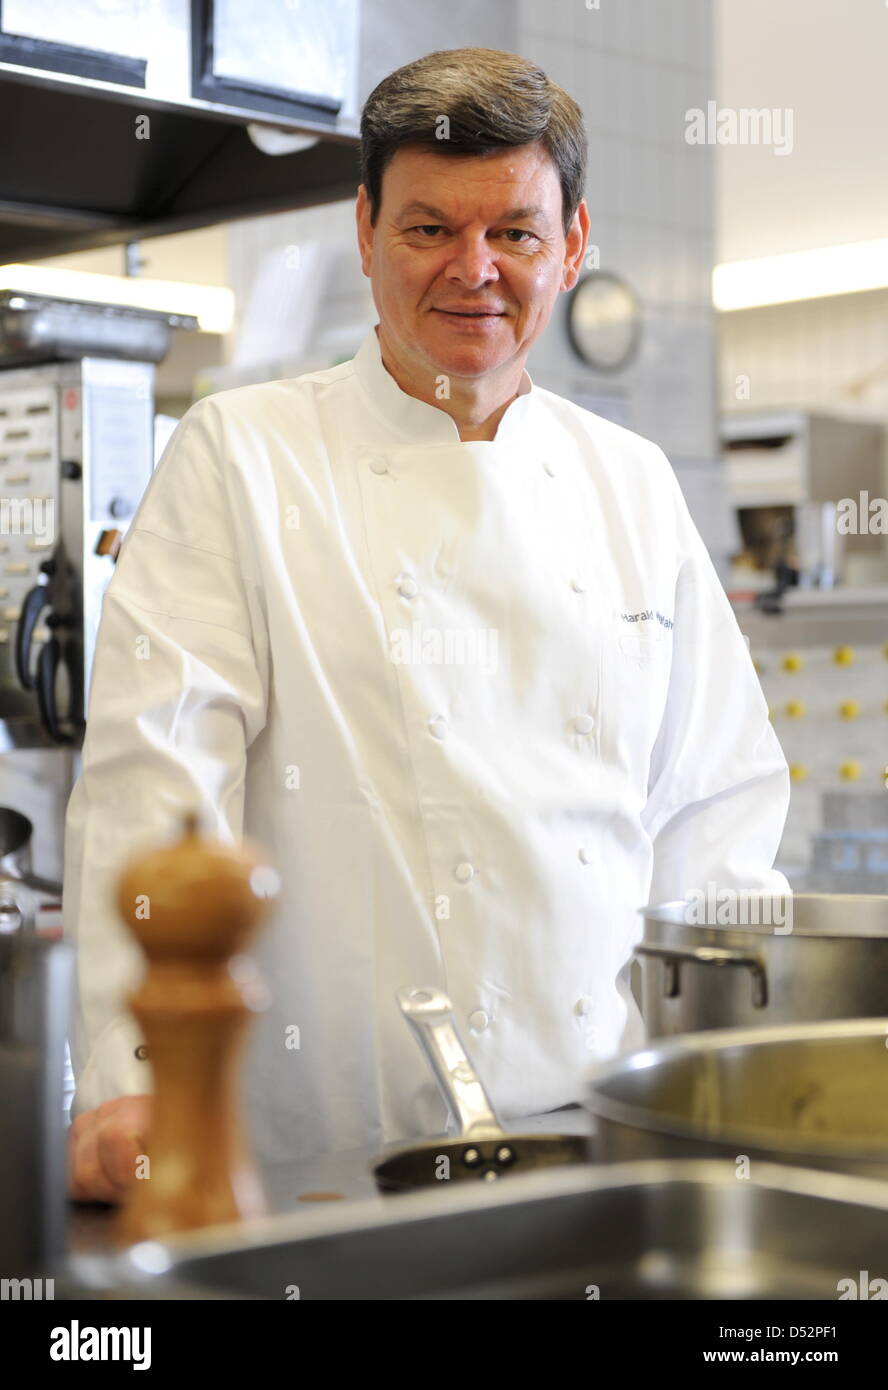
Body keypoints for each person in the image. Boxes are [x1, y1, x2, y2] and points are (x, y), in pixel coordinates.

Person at [66, 47, 790, 1203]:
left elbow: (715, 813)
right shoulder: (244, 455)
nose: (474, 271)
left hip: (600, 1143)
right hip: (318, 1160)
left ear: (574, 242)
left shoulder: (633, 484)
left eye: (513, 232)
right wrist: (137, 1080)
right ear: (364, 230)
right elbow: (158, 788)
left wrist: (720, 1082)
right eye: (426, 230)